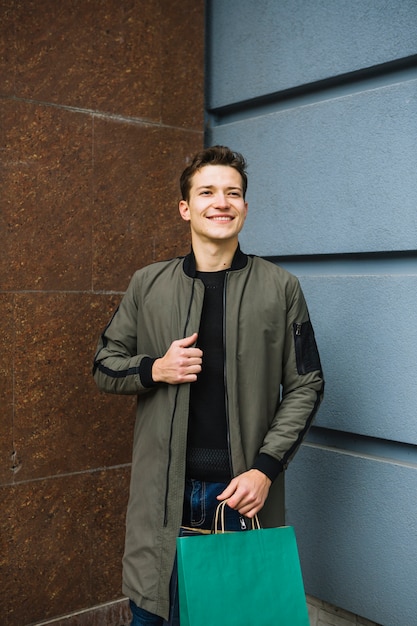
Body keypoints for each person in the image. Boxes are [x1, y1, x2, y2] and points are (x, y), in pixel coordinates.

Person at [93, 145, 324, 625]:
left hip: (241, 495)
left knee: (238, 617)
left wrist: (265, 469)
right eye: (207, 192)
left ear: (244, 206)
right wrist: (156, 369)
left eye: (233, 193)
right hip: (164, 496)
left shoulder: (280, 288)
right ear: (186, 208)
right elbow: (104, 363)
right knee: (154, 615)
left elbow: (306, 385)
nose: (222, 202)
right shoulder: (147, 284)